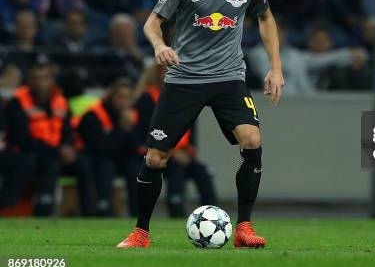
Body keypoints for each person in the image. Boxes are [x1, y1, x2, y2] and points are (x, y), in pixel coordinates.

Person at [117, 0, 284, 248]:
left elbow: (266, 19)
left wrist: (276, 66)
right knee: (155, 158)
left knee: (252, 141)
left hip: (229, 77)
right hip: (184, 79)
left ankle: (244, 229)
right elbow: (152, 22)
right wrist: (159, 45)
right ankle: (140, 233)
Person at [4, 57, 91, 216]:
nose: (40, 83)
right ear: (28, 80)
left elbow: (67, 131)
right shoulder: (18, 102)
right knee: (49, 162)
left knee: (84, 163)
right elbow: (21, 139)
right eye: (35, 78)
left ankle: (91, 213)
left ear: (52, 80)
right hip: (29, 153)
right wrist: (59, 149)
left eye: (45, 78)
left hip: (55, 152)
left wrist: (67, 146)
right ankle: (42, 207)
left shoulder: (61, 101)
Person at [134, 64, 217, 217]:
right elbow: (145, 132)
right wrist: (172, 152)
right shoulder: (147, 98)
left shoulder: (185, 98)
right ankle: (176, 209)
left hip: (182, 154)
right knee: (176, 167)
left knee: (202, 172)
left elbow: (191, 133)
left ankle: (212, 214)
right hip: (156, 153)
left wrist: (189, 152)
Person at [77, 78, 141, 216]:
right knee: (105, 164)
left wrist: (128, 130)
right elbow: (100, 147)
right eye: (120, 97)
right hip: (95, 158)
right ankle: (104, 206)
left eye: (128, 98)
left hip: (121, 159)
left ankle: (137, 213)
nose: (124, 102)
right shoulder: (93, 114)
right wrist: (123, 130)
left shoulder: (133, 115)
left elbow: (136, 147)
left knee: (134, 166)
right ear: (111, 96)